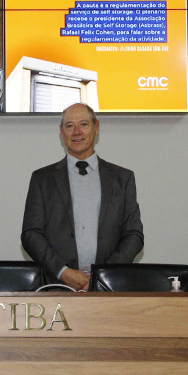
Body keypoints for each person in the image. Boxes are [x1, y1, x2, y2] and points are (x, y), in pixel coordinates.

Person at [22, 103, 144, 291]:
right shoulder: (42, 179)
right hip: (57, 285)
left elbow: (133, 234)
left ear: (97, 128)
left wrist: (102, 276)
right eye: (70, 126)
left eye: (84, 124)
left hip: (109, 287)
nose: (76, 132)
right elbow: (31, 234)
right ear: (62, 132)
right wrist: (64, 272)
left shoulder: (123, 178)